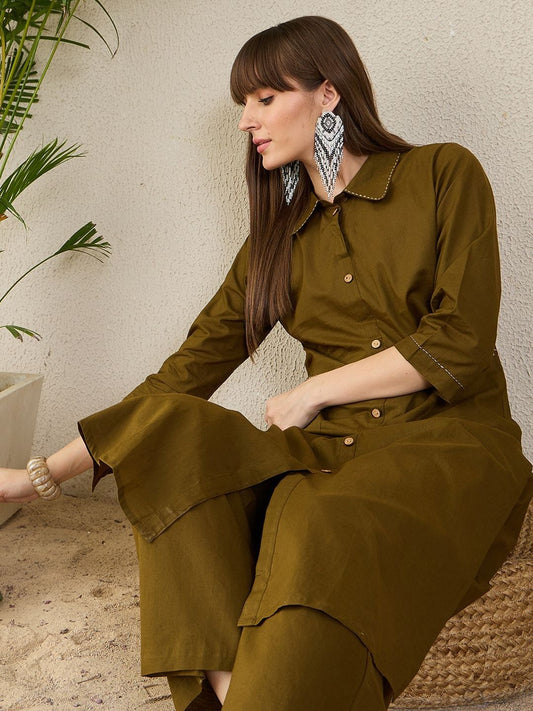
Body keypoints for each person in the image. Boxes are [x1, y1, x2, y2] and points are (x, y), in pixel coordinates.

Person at [1, 15, 532, 711]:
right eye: (242, 104)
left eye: (264, 98)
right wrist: (38, 476)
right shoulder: (274, 244)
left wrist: (315, 390)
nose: (246, 121)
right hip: (331, 450)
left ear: (328, 94)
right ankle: (234, 694)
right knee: (175, 437)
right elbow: (182, 375)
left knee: (316, 527)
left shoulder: (442, 173)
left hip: (449, 439)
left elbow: (460, 340)